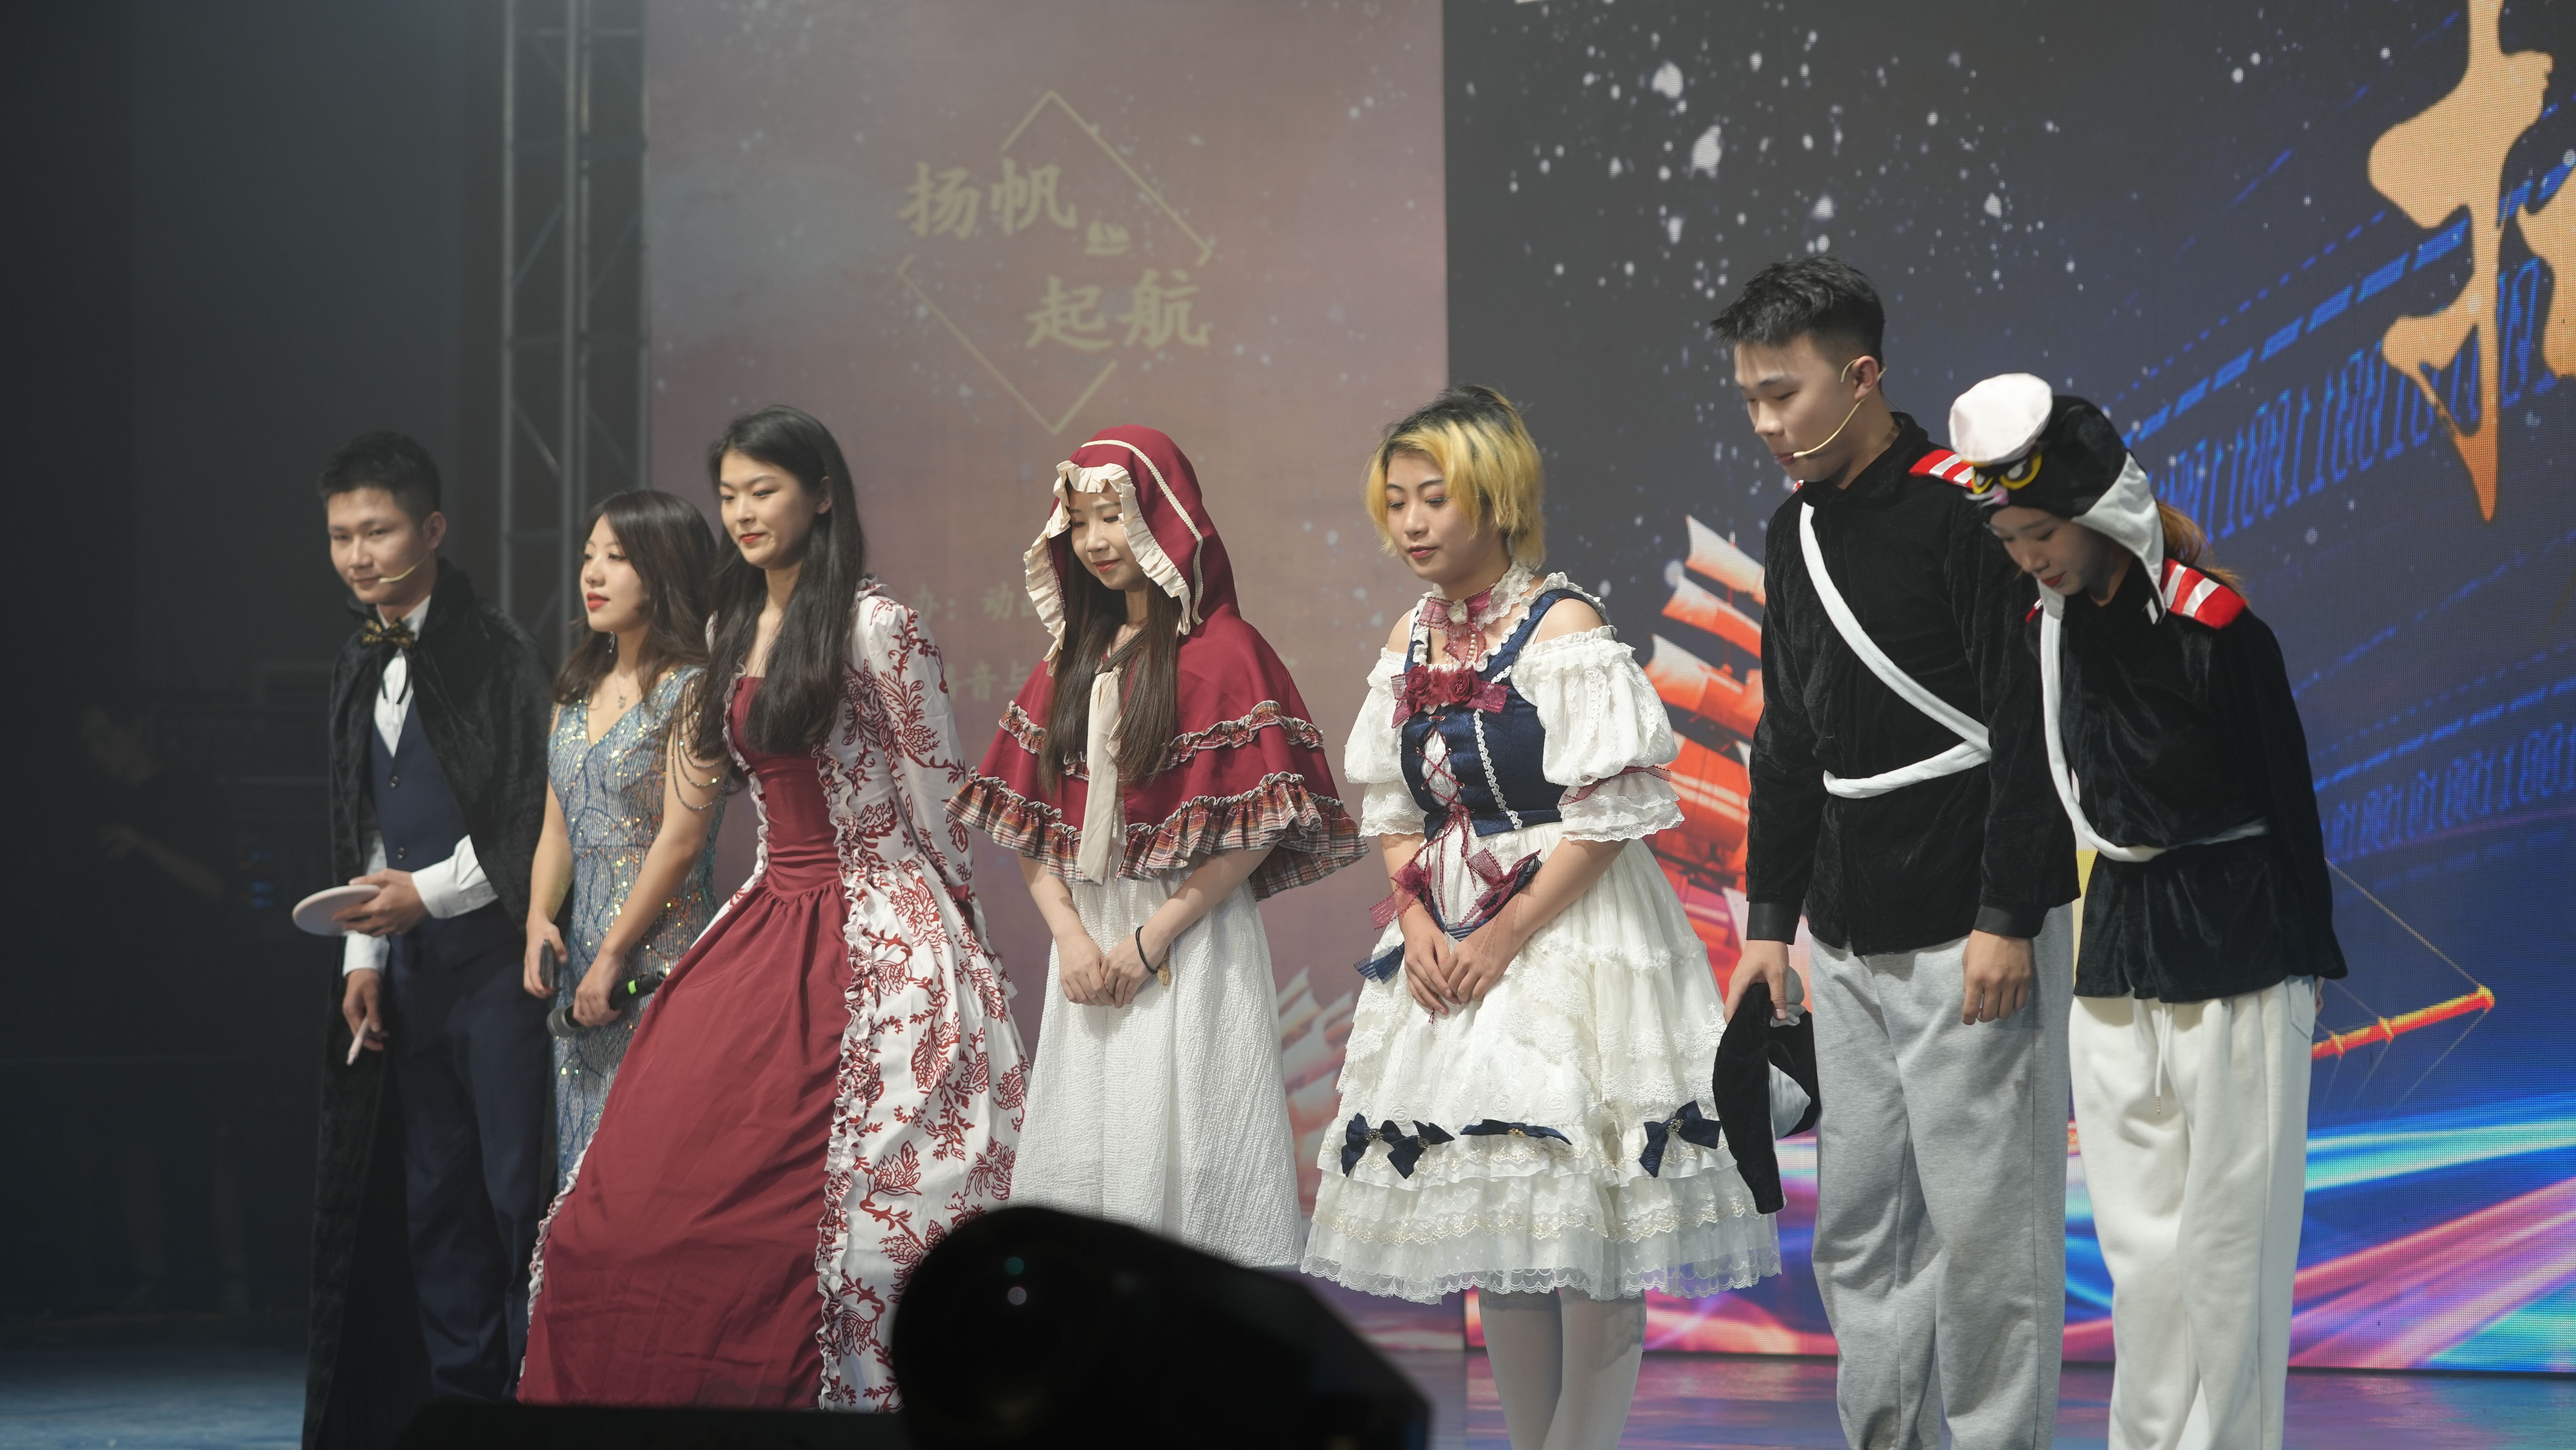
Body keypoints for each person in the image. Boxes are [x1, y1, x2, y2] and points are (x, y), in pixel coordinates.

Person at [1301, 387, 1785, 1450]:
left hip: (1574, 940)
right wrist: (1418, 923)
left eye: (1435, 497)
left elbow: (1613, 812)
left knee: (1595, 1231)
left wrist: (1502, 936)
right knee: (1506, 1228)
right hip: (1448, 941)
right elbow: (1393, 808)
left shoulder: (1564, 626)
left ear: (1498, 498)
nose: (1412, 522)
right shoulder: (1410, 636)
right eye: (1398, 501)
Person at [520, 406, 1024, 1410]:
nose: (744, 514)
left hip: (884, 921)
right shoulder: (725, 628)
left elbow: (937, 796)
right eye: (730, 496)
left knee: (864, 1222)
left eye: (766, 491)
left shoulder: (879, 627)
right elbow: (700, 802)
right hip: (768, 913)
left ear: (822, 495)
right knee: (633, 1202)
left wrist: (958, 943)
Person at [1711, 260, 2079, 1450]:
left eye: (1783, 393)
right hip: (1846, 924)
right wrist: (1770, 924)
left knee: (1988, 1226)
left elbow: (2027, 720)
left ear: (1861, 375)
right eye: (1749, 399)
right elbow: (1788, 734)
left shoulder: (1962, 511)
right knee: (1861, 1224)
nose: (1765, 423)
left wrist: (2008, 915)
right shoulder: (1792, 529)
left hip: (1971, 922)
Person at [1951, 374, 2345, 1450]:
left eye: (2042, 534)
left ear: (2097, 511)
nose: (2029, 559)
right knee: (2139, 1250)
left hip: (2237, 942)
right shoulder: (2046, 632)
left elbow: (2289, 801)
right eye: (2011, 540)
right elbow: (2033, 779)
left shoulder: (2220, 631)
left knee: (2230, 1245)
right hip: (2118, 943)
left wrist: (2306, 958)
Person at [951, 425, 1364, 1268]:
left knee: (1198, 1151)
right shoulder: (1070, 659)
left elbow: (1254, 829)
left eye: (1115, 516)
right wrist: (1072, 940)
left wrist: (1153, 938)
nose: (1096, 540)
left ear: (1166, 520)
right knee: (1091, 1153)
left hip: (1193, 940)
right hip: (1090, 951)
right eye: (1080, 522)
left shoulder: (1228, 654)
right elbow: (1030, 822)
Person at [306, 432, 553, 1440]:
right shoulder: (357, 660)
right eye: (341, 536)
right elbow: (365, 819)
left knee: (514, 1197)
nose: (358, 555)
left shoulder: (495, 649)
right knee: (434, 1204)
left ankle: (534, 1403)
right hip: (411, 978)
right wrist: (364, 953)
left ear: (434, 528)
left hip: (498, 970)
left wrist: (431, 897)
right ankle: (462, 1409)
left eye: (378, 531)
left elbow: (531, 811)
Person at [518, 491, 727, 1186]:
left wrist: (613, 955)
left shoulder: (693, 690)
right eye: (589, 557)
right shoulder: (576, 687)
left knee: (656, 1171)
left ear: (666, 570)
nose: (593, 574)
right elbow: (557, 829)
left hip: (660, 962)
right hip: (581, 969)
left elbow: (681, 842)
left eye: (618, 557)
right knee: (584, 1176)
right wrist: (538, 919)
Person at [74, 682, 247, 1313]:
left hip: (195, 998)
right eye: (87, 742)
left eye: (104, 736)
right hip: (126, 1002)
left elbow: (219, 887)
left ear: (138, 726)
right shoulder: (92, 808)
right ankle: (152, 1280)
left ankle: (231, 1280)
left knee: (207, 1139)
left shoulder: (192, 795)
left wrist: (145, 846)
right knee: (131, 1141)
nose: (97, 752)